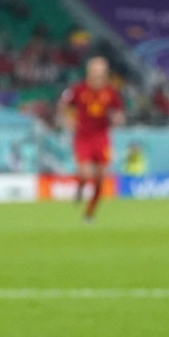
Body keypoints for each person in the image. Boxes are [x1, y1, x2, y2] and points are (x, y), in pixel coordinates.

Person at [58, 56, 124, 222]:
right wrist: (66, 119)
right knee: (86, 173)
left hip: (102, 137)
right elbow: (64, 105)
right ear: (89, 72)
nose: (97, 75)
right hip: (83, 137)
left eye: (101, 72)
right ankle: (80, 188)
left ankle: (89, 213)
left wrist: (118, 119)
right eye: (95, 71)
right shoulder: (79, 90)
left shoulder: (110, 92)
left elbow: (119, 112)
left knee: (101, 179)